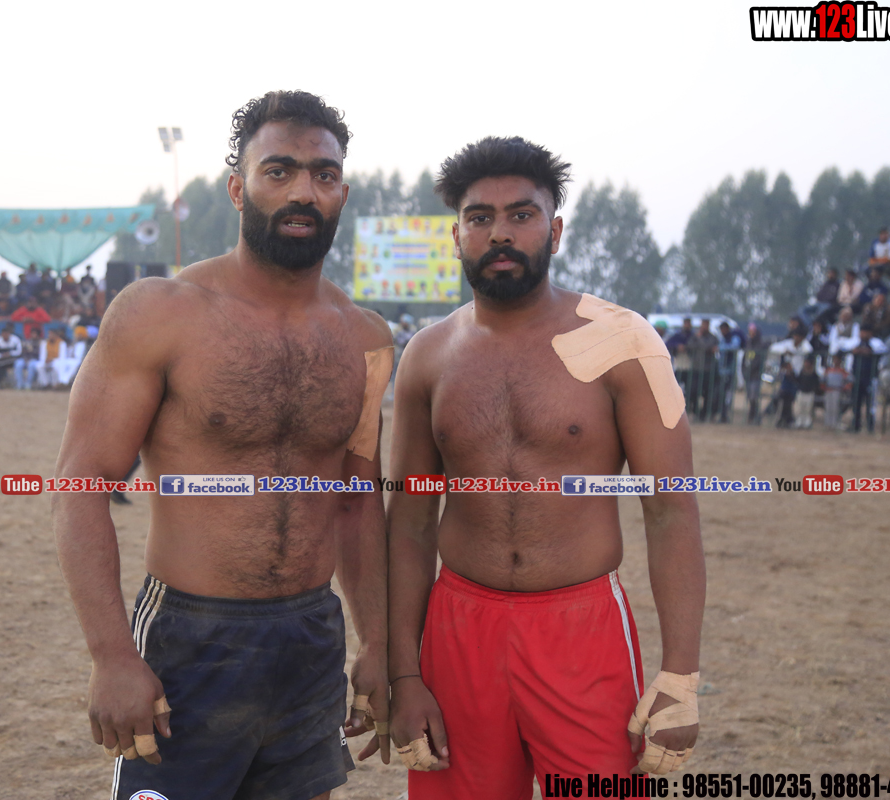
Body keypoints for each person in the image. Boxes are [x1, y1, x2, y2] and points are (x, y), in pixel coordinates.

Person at [52, 90, 394, 800]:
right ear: (238, 189)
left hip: (311, 638)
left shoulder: (364, 338)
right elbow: (80, 486)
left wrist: (378, 642)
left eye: (324, 175)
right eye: (279, 171)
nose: (303, 191)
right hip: (190, 636)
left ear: (342, 193)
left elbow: (358, 504)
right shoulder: (161, 313)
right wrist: (111, 655)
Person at [387, 136, 703, 792]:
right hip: (458, 628)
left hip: (581, 630)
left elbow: (671, 510)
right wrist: (404, 673)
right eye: (480, 218)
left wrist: (680, 676)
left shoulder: (622, 341)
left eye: (521, 215)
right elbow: (410, 523)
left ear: (554, 231)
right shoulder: (428, 355)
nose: (500, 233)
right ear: (456, 236)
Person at [849, 329, 885, 433]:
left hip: (870, 378)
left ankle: (870, 426)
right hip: (857, 378)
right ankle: (856, 425)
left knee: (871, 404)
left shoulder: (876, 343)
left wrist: (869, 352)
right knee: (856, 402)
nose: (863, 334)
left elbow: (882, 352)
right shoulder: (856, 343)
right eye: (861, 332)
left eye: (865, 332)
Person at [743, 323, 768, 424]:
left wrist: (751, 369)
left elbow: (759, 360)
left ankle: (754, 416)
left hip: (755, 374)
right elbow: (744, 358)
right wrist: (744, 370)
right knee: (750, 396)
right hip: (748, 374)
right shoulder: (748, 343)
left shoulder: (760, 344)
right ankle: (754, 416)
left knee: (754, 396)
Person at [0, 322, 22, 388]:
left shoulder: (16, 339)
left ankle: (16, 384)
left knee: (18, 363)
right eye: (3, 334)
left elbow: (19, 351)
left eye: (6, 334)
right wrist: (1, 355)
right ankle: (0, 382)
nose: (5, 335)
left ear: (9, 334)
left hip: (12, 359)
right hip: (1, 359)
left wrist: (10, 353)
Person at [823, 354, 848, 430]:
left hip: (837, 390)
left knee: (835, 407)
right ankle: (828, 423)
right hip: (828, 390)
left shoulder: (842, 371)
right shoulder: (829, 370)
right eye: (834, 359)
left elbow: (849, 380)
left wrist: (844, 388)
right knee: (828, 407)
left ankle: (834, 423)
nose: (835, 361)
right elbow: (823, 379)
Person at [793, 359, 820, 429]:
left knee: (808, 408)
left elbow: (816, 384)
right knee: (799, 408)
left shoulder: (813, 374)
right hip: (801, 392)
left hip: (809, 393)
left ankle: (807, 422)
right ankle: (799, 421)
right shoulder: (802, 372)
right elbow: (797, 381)